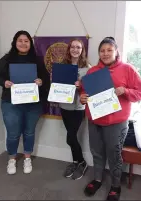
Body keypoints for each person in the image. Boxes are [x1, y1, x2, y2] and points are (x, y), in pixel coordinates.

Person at [80, 37, 141, 201]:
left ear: (116, 51)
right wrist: (82, 97)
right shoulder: (92, 71)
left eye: (109, 50)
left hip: (116, 122)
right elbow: (84, 92)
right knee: (96, 152)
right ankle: (97, 179)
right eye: (102, 51)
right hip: (95, 120)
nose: (105, 53)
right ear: (99, 53)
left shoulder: (127, 69)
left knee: (114, 154)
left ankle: (115, 185)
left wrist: (125, 91)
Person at [0, 30, 50, 175]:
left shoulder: (37, 59)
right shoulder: (6, 59)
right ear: (15, 42)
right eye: (20, 40)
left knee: (29, 132)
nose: (23, 43)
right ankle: (12, 158)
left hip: (32, 103)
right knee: (13, 133)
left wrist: (41, 81)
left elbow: (46, 79)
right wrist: (4, 82)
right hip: (10, 103)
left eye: (26, 41)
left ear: (30, 43)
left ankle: (27, 157)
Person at [51, 39, 90, 180]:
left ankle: (82, 162)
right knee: (71, 136)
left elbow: (90, 90)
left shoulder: (88, 68)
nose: (75, 49)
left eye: (78, 47)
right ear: (69, 49)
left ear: (82, 50)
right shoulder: (62, 66)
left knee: (70, 137)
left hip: (78, 107)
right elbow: (56, 85)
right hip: (65, 106)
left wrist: (81, 86)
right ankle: (77, 161)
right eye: (72, 47)